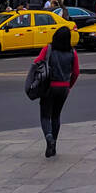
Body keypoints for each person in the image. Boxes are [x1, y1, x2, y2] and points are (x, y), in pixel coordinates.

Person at [33, 26, 79, 157]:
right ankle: (54, 145)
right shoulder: (72, 52)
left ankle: (49, 138)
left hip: (49, 86)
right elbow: (76, 72)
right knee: (56, 116)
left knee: (45, 115)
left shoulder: (48, 49)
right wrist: (69, 86)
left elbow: (37, 62)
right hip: (64, 87)